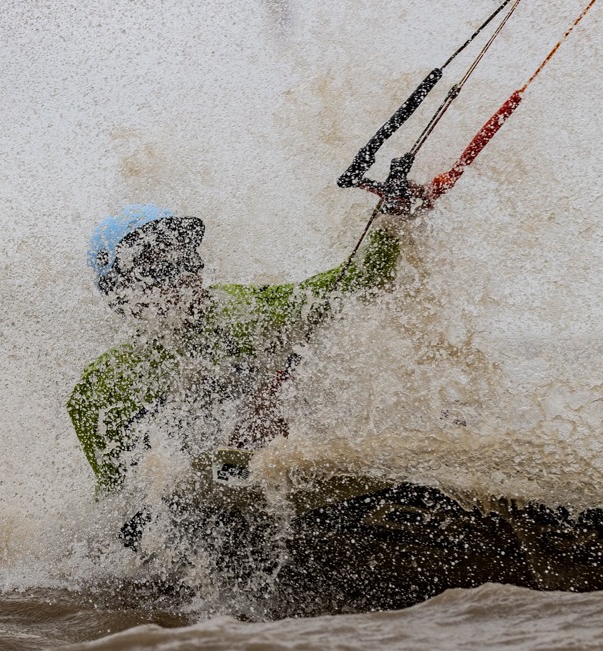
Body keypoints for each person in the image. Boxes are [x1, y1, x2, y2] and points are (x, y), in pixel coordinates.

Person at [67, 204, 402, 499]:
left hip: (270, 483)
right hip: (188, 513)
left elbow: (353, 281)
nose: (181, 274)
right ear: (121, 293)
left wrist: (393, 220)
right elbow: (119, 498)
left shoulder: (245, 309)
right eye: (156, 265)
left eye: (183, 256)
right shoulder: (101, 386)